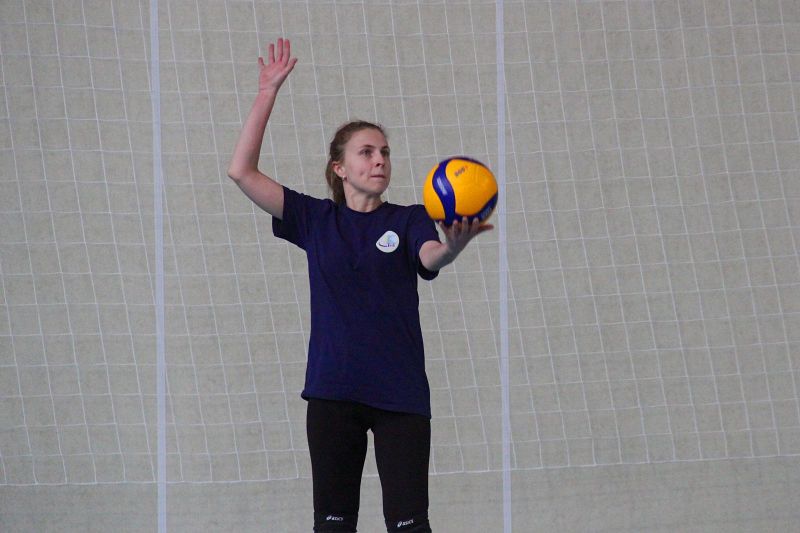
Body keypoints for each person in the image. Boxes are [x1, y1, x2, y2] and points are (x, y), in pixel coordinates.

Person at [227, 38, 492, 533]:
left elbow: (430, 255)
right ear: (340, 168)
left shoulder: (410, 218)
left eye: (385, 152)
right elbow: (240, 171)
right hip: (333, 393)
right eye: (366, 152)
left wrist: (454, 245)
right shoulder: (315, 219)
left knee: (410, 526)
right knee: (333, 525)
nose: (379, 161)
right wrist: (267, 93)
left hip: (400, 393)